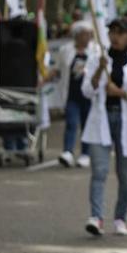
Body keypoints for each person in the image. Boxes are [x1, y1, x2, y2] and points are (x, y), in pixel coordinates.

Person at [81, 18, 127, 237]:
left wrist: (124, 93)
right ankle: (96, 217)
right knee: (99, 171)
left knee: (124, 175)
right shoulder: (97, 59)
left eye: (121, 33)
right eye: (112, 32)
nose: (116, 37)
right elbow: (86, 91)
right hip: (101, 120)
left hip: (126, 121)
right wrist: (98, 72)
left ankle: (121, 217)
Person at [56, 23, 95, 167]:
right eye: (85, 34)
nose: (88, 37)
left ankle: (85, 154)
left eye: (89, 34)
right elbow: (58, 69)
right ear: (77, 35)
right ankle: (67, 152)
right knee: (71, 123)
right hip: (72, 94)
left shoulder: (95, 50)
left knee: (87, 125)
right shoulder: (65, 50)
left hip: (88, 96)